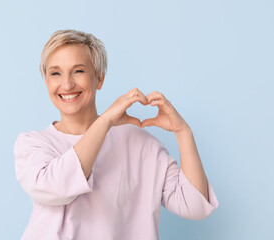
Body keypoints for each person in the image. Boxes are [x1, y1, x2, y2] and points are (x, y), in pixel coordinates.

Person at [14, 29, 218, 240]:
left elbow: (195, 206)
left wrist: (183, 132)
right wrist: (105, 121)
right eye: (55, 73)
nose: (67, 84)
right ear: (46, 81)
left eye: (79, 71)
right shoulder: (33, 144)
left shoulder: (140, 143)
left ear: (99, 79)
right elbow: (55, 188)